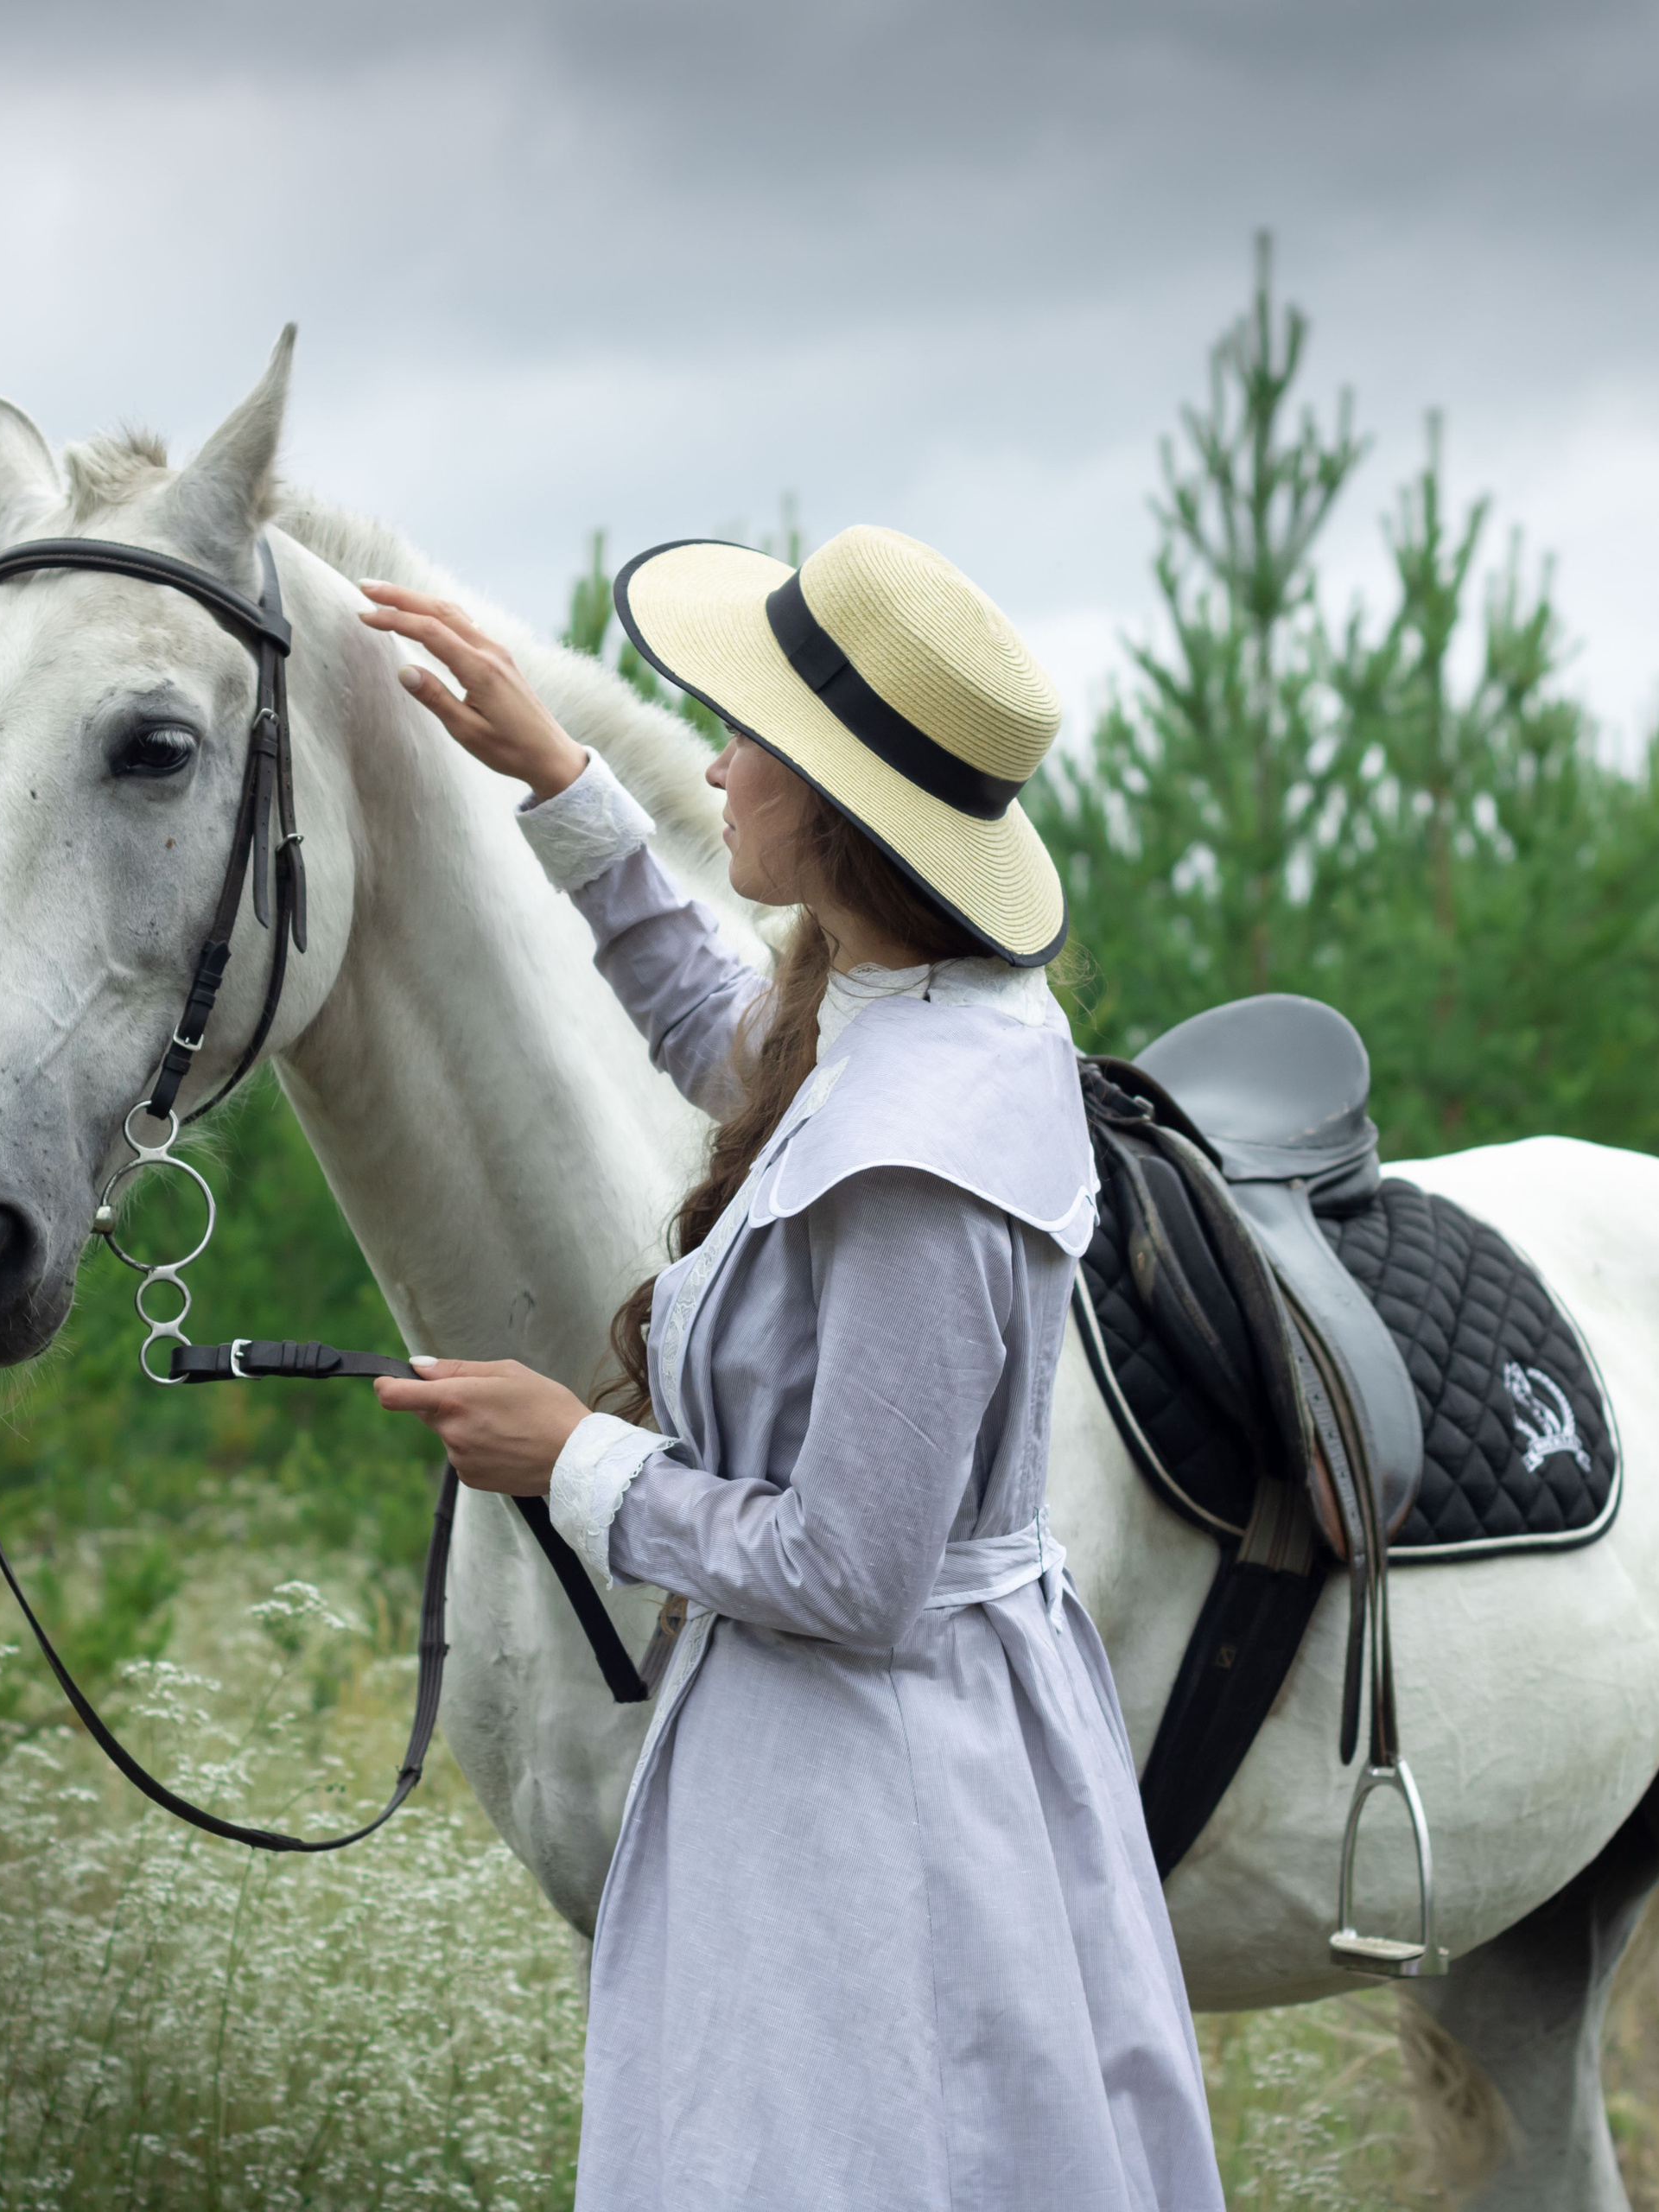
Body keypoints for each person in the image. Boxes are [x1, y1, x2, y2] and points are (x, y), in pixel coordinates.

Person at [361, 525, 1224, 2212]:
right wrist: (559, 784)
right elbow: (727, 1046)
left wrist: (570, 1459)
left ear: (831, 803)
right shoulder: (920, 1009)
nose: (708, 759)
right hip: (875, 1751)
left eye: (743, 736)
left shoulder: (916, 1156)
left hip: (866, 1793)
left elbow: (854, 1569)